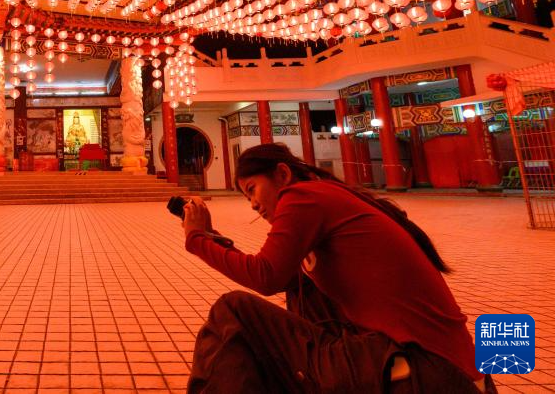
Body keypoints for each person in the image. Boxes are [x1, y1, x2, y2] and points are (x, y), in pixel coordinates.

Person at [183, 143, 493, 393]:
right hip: (449, 370)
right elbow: (283, 276)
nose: (252, 204)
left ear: (282, 174)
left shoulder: (303, 197)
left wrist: (196, 239)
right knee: (302, 292)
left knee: (233, 311)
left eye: (252, 189)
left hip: (427, 368)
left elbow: (265, 276)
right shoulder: (327, 195)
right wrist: (213, 238)